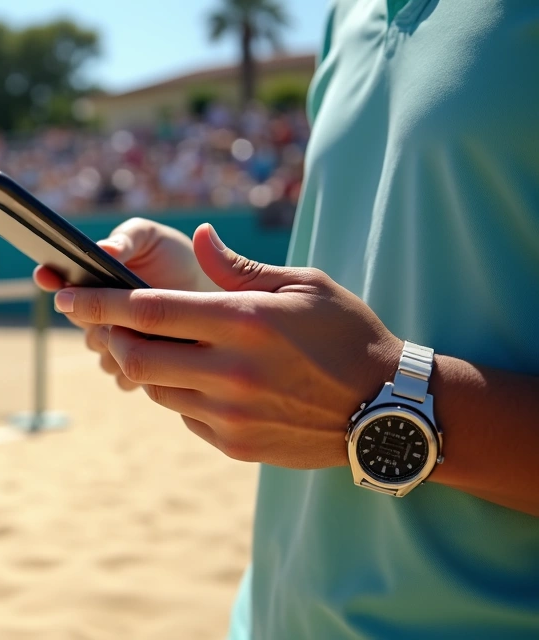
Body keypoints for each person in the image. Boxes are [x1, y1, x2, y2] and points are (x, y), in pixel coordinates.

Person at [36, 3, 539, 638]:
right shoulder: (346, 17)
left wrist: (381, 402)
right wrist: (208, 304)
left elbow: (358, 369)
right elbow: (376, 280)